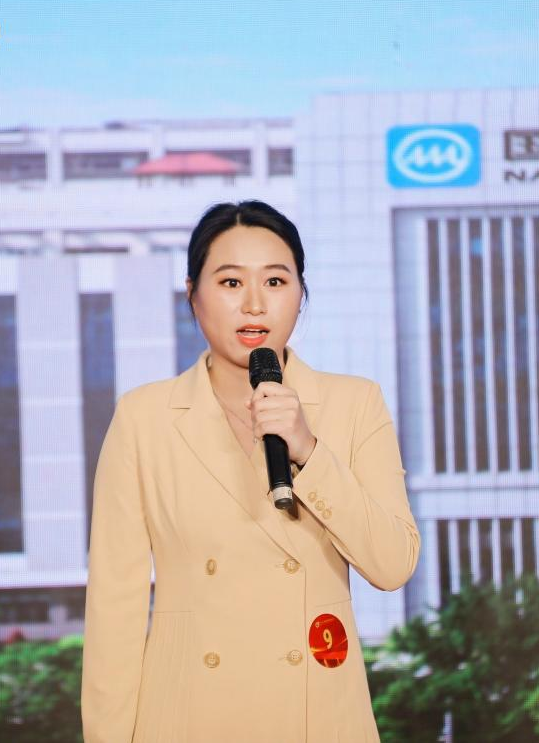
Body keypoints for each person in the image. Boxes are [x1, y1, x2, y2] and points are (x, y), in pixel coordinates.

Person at [81, 200, 420, 742]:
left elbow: (393, 564)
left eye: (276, 281)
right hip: (187, 717)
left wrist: (309, 450)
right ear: (193, 294)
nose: (255, 304)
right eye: (231, 282)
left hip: (315, 713)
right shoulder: (144, 417)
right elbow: (114, 606)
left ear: (301, 294)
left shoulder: (355, 404)